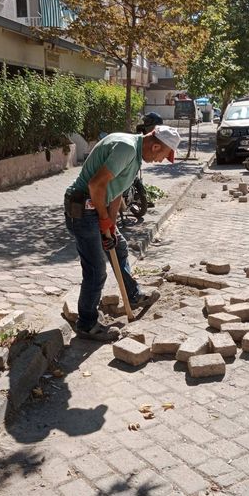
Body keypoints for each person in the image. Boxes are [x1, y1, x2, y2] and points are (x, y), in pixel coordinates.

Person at [64, 125, 181, 341]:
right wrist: (102, 219)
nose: (162, 161)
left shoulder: (135, 154)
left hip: (96, 207)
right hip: (82, 209)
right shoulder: (126, 148)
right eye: (164, 155)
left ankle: (132, 295)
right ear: (155, 146)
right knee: (96, 270)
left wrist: (110, 222)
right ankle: (86, 324)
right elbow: (96, 185)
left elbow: (115, 191)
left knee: (120, 246)